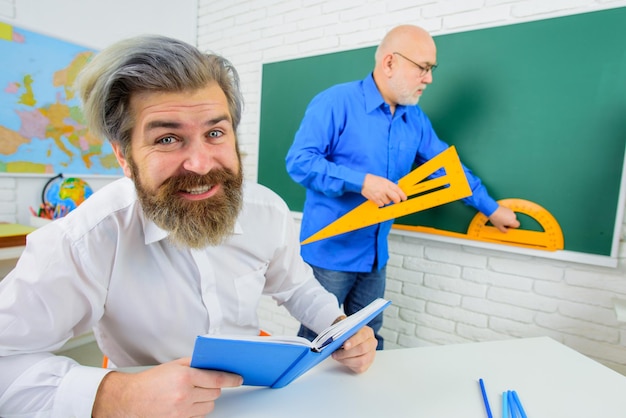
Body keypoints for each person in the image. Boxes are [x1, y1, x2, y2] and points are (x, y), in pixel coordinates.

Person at [0, 35, 377, 417]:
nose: (200, 163)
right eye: (167, 138)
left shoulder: (268, 211)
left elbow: (296, 286)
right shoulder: (87, 238)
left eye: (215, 133)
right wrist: (116, 396)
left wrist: (338, 325)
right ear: (123, 156)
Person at [285, 24, 520, 350]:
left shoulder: (415, 118)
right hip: (330, 256)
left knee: (369, 342)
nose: (429, 79)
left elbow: (447, 170)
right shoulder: (335, 102)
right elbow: (299, 162)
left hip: (375, 257)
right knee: (317, 342)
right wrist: (361, 182)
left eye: (431, 69)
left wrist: (490, 208)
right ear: (390, 63)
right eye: (423, 68)